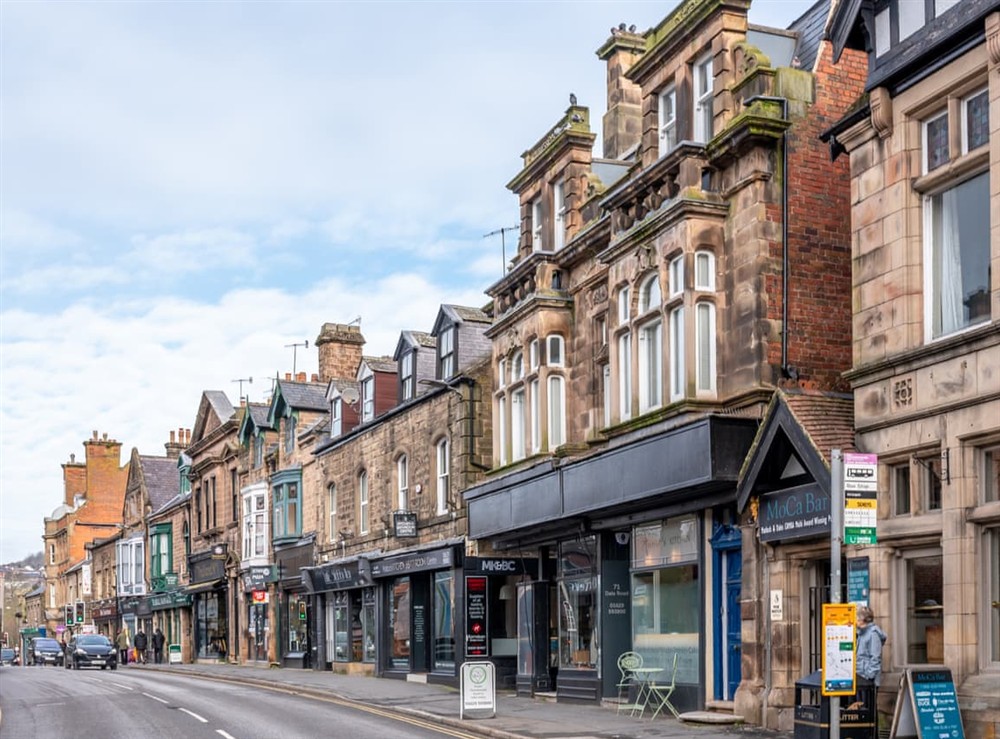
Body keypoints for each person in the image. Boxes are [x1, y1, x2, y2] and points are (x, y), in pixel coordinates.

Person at [855, 604, 887, 730]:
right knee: (861, 709)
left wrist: (869, 677)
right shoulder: (861, 633)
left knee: (869, 710)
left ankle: (872, 734)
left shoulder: (873, 634)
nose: (855, 620)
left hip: (867, 679)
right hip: (860, 677)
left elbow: (875, 659)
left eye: (856, 617)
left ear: (863, 620)